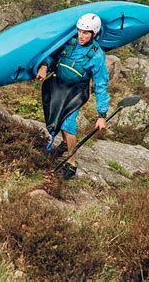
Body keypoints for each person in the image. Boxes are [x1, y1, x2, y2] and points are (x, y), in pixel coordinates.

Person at [36, 13, 110, 180]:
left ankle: (72, 163)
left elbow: (101, 84)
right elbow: (52, 53)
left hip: (76, 91)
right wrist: (44, 65)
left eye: (86, 33)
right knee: (57, 119)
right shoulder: (69, 41)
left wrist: (102, 115)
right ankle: (64, 143)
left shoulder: (97, 55)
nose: (81, 36)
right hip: (58, 85)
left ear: (94, 34)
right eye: (80, 31)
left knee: (68, 123)